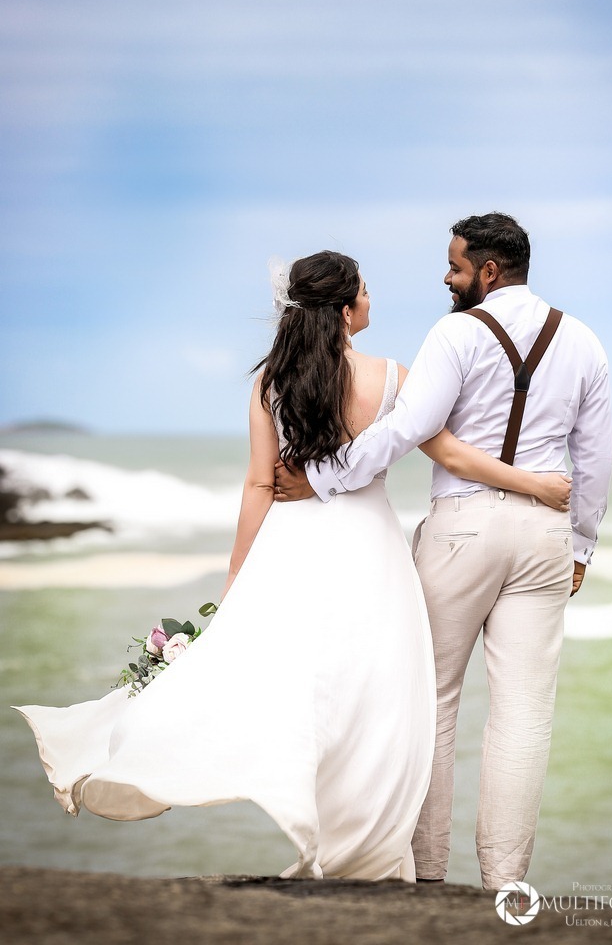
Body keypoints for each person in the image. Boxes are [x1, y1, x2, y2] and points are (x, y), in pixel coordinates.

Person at [14, 249, 572, 882]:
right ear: (344, 309)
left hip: (292, 546)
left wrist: (235, 582)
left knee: (290, 689)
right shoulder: (393, 377)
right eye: (365, 290)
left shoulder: (270, 380)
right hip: (370, 551)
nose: (371, 299)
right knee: (375, 701)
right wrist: (536, 485)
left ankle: (299, 822)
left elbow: (259, 485)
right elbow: (454, 456)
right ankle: (365, 850)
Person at [276, 217, 612, 890]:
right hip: (546, 532)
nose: (446, 277)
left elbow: (409, 428)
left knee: (431, 702)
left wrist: (321, 477)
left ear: (489, 272)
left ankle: (428, 877)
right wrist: (581, 543)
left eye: (455, 266)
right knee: (523, 713)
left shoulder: (456, 335)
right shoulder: (583, 340)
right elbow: (595, 457)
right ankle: (506, 882)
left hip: (461, 529)